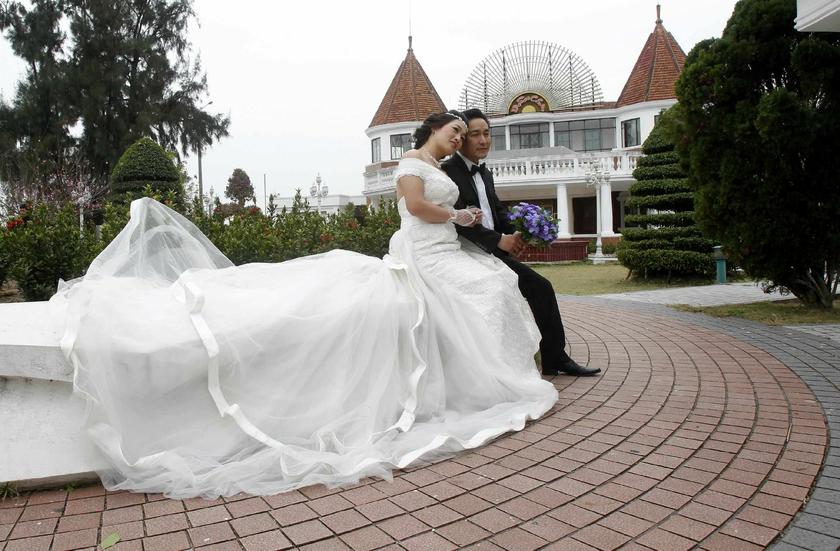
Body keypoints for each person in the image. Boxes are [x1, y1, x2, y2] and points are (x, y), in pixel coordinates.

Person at [51, 110, 558, 498]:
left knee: (491, 288)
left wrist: (464, 218)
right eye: (452, 131)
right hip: (429, 249)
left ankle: (491, 371)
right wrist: (461, 218)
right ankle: (489, 376)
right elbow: (415, 207)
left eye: (459, 134)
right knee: (482, 291)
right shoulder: (410, 165)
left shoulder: (436, 164)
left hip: (446, 246)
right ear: (433, 131)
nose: (458, 138)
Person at [442, 108, 600, 377]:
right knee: (537, 287)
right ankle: (525, 363)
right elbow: (458, 222)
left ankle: (554, 358)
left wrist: (520, 232)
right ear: (462, 139)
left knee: (540, 288)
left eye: (487, 134)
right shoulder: (447, 172)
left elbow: (496, 211)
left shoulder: (485, 172)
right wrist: (499, 241)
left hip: (494, 251)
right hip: (469, 254)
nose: (483, 140)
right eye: (476, 135)